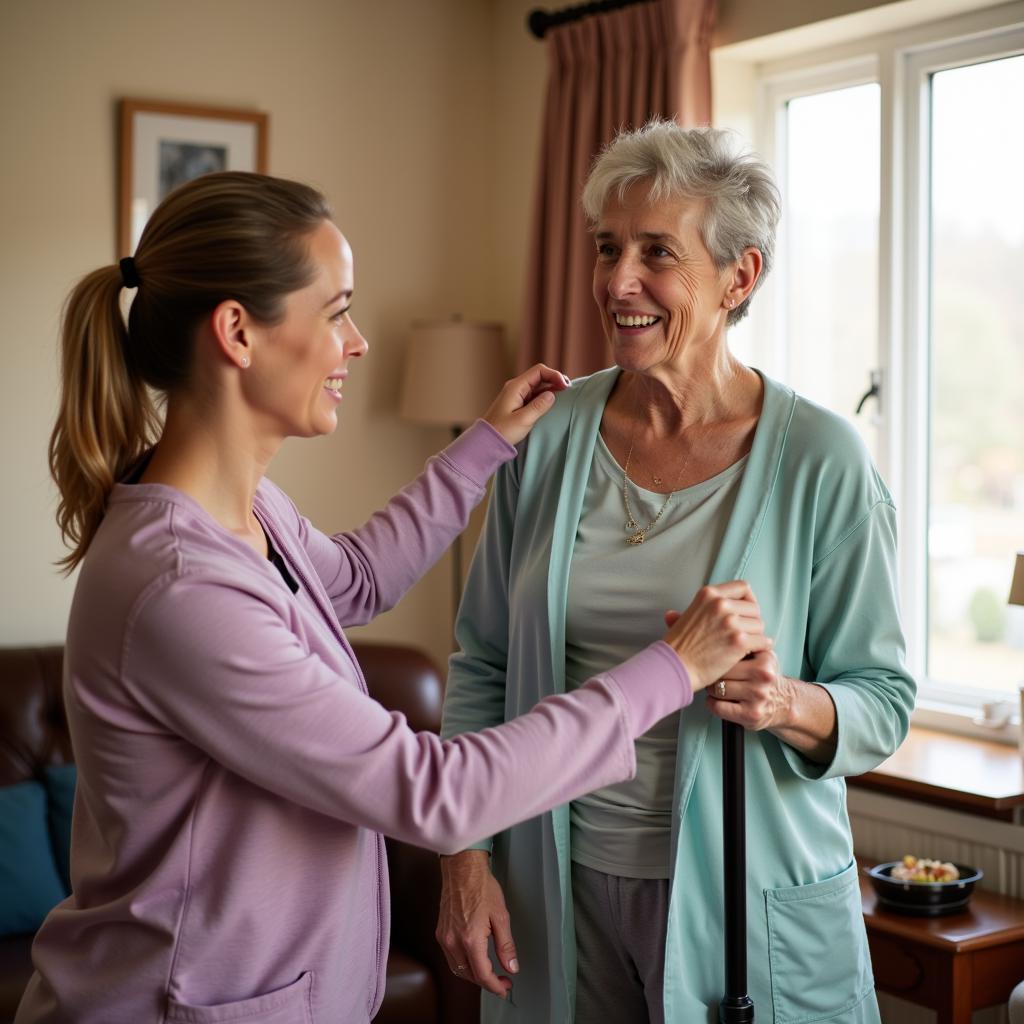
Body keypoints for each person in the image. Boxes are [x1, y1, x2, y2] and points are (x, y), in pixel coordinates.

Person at [16, 170, 769, 1024]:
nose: (358, 341)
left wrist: (481, 447)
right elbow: (434, 792)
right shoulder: (181, 586)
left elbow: (356, 582)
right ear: (237, 333)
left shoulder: (242, 512)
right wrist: (672, 670)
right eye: (335, 312)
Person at [437, 121, 916, 1024]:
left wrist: (786, 704)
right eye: (608, 247)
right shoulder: (546, 438)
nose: (619, 280)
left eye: (658, 251)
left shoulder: (823, 458)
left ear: (741, 276)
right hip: (558, 888)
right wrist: (465, 858)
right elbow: (482, 664)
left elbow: (883, 697)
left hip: (748, 897)